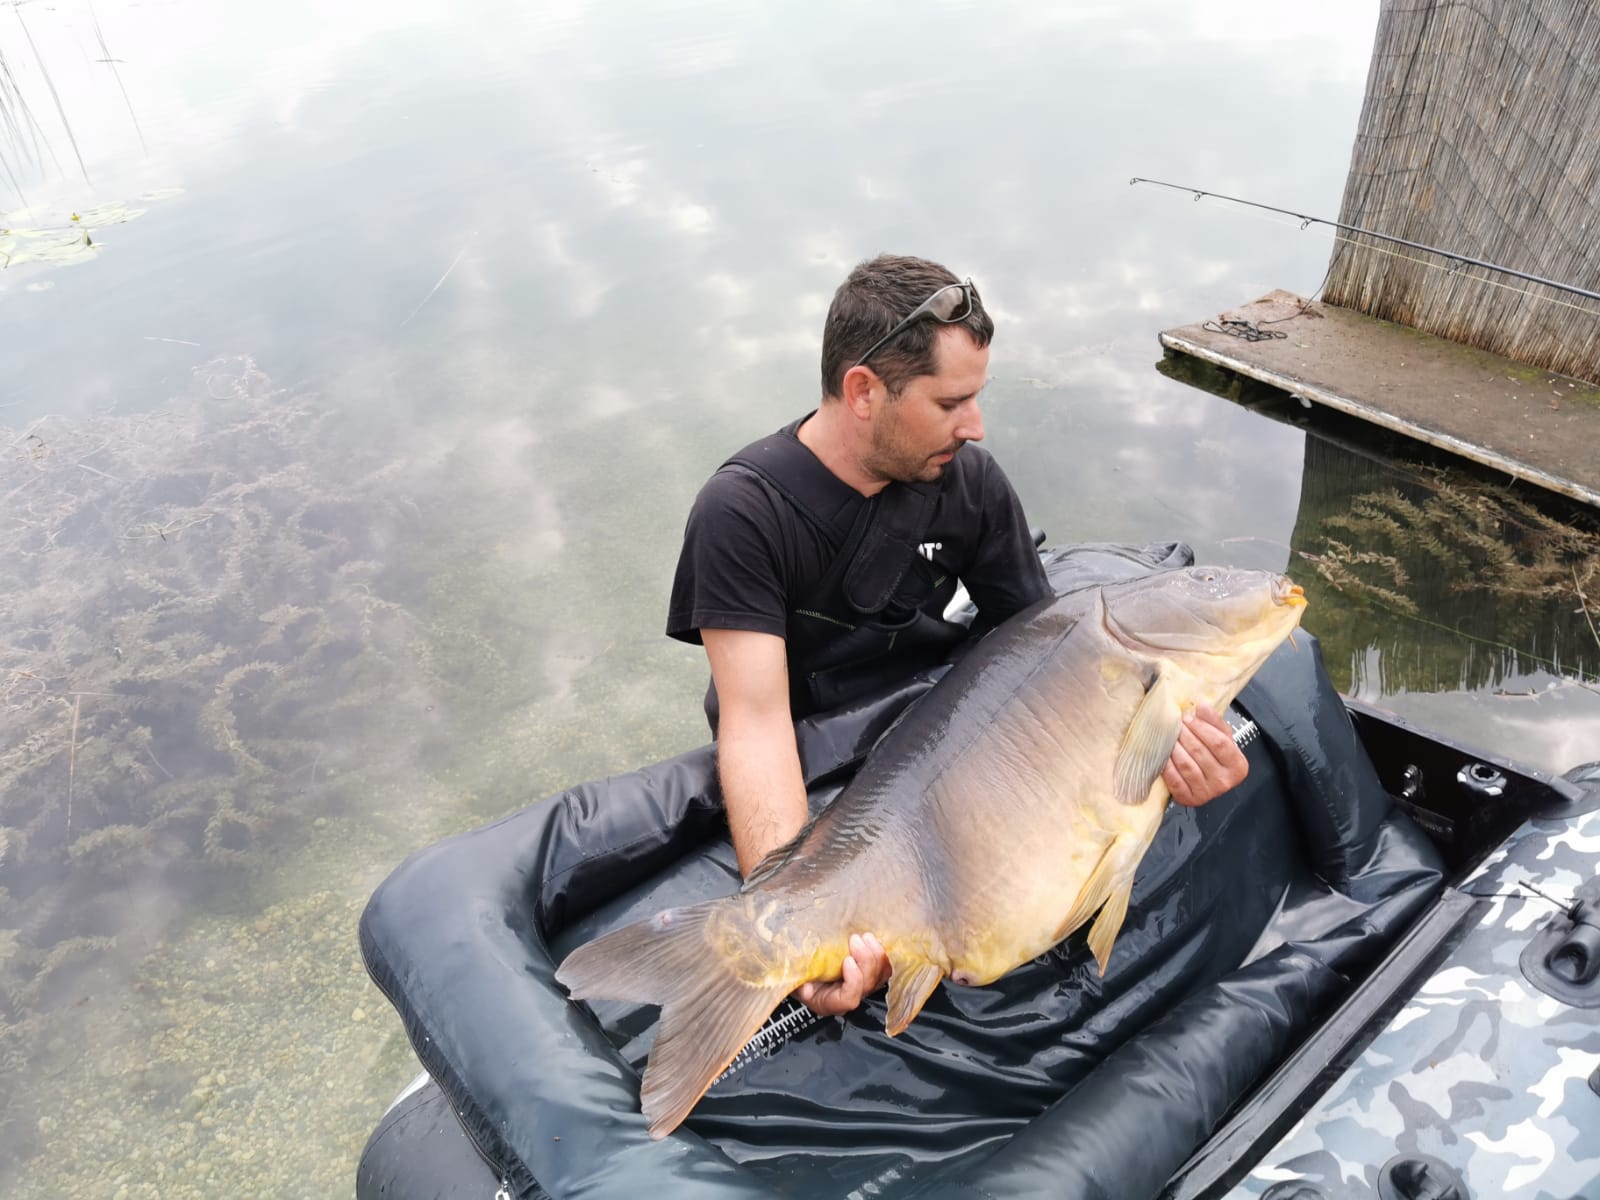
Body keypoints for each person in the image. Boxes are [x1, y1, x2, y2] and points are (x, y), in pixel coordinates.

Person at [667, 254, 1247, 1017]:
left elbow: (1045, 661)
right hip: (816, 761)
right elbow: (753, 722)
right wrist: (786, 913)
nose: (974, 426)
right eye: (951, 403)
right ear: (863, 392)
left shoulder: (969, 482)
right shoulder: (745, 512)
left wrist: (1172, 766)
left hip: (941, 747)